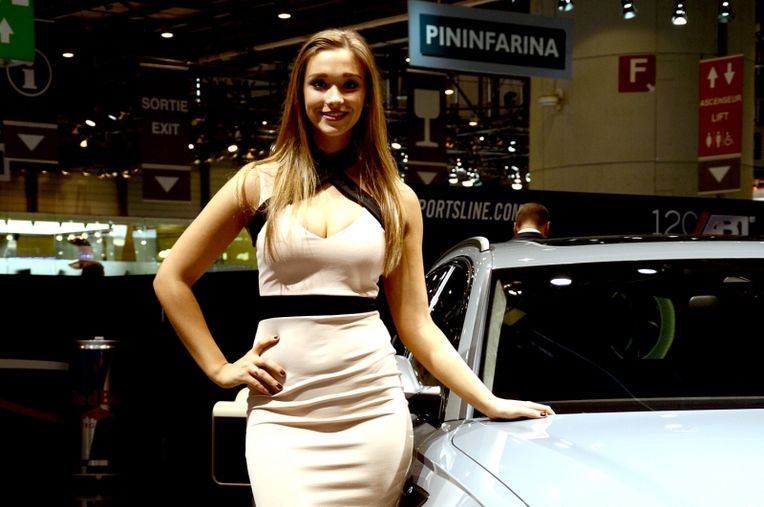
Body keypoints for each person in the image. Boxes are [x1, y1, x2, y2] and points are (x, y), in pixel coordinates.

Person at [153, 28, 554, 507]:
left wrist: (488, 401)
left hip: (372, 411)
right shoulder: (256, 183)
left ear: (368, 97)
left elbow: (416, 324)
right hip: (284, 413)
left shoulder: (396, 198)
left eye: (349, 84)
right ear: (299, 92)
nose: (334, 98)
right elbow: (171, 279)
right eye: (319, 83)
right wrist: (220, 368)